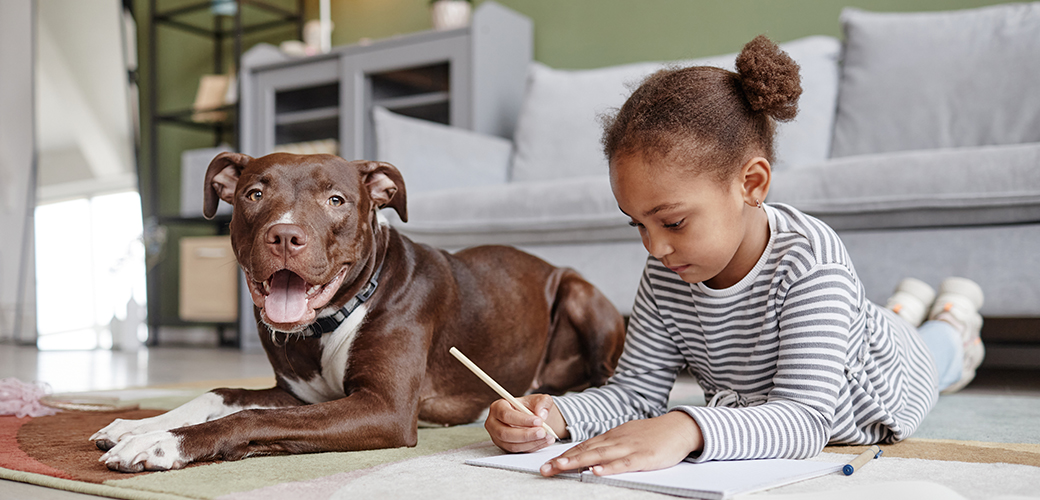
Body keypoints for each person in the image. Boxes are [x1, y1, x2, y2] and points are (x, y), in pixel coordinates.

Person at [483, 35, 985, 478]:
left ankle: (952, 325)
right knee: (876, 320)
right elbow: (635, 394)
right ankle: (901, 307)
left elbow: (806, 420)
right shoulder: (666, 272)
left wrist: (685, 427)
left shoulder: (811, 262)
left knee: (933, 354)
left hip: (888, 383)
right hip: (851, 331)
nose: (654, 248)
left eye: (673, 222)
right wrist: (555, 415)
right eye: (637, 223)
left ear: (751, 184)